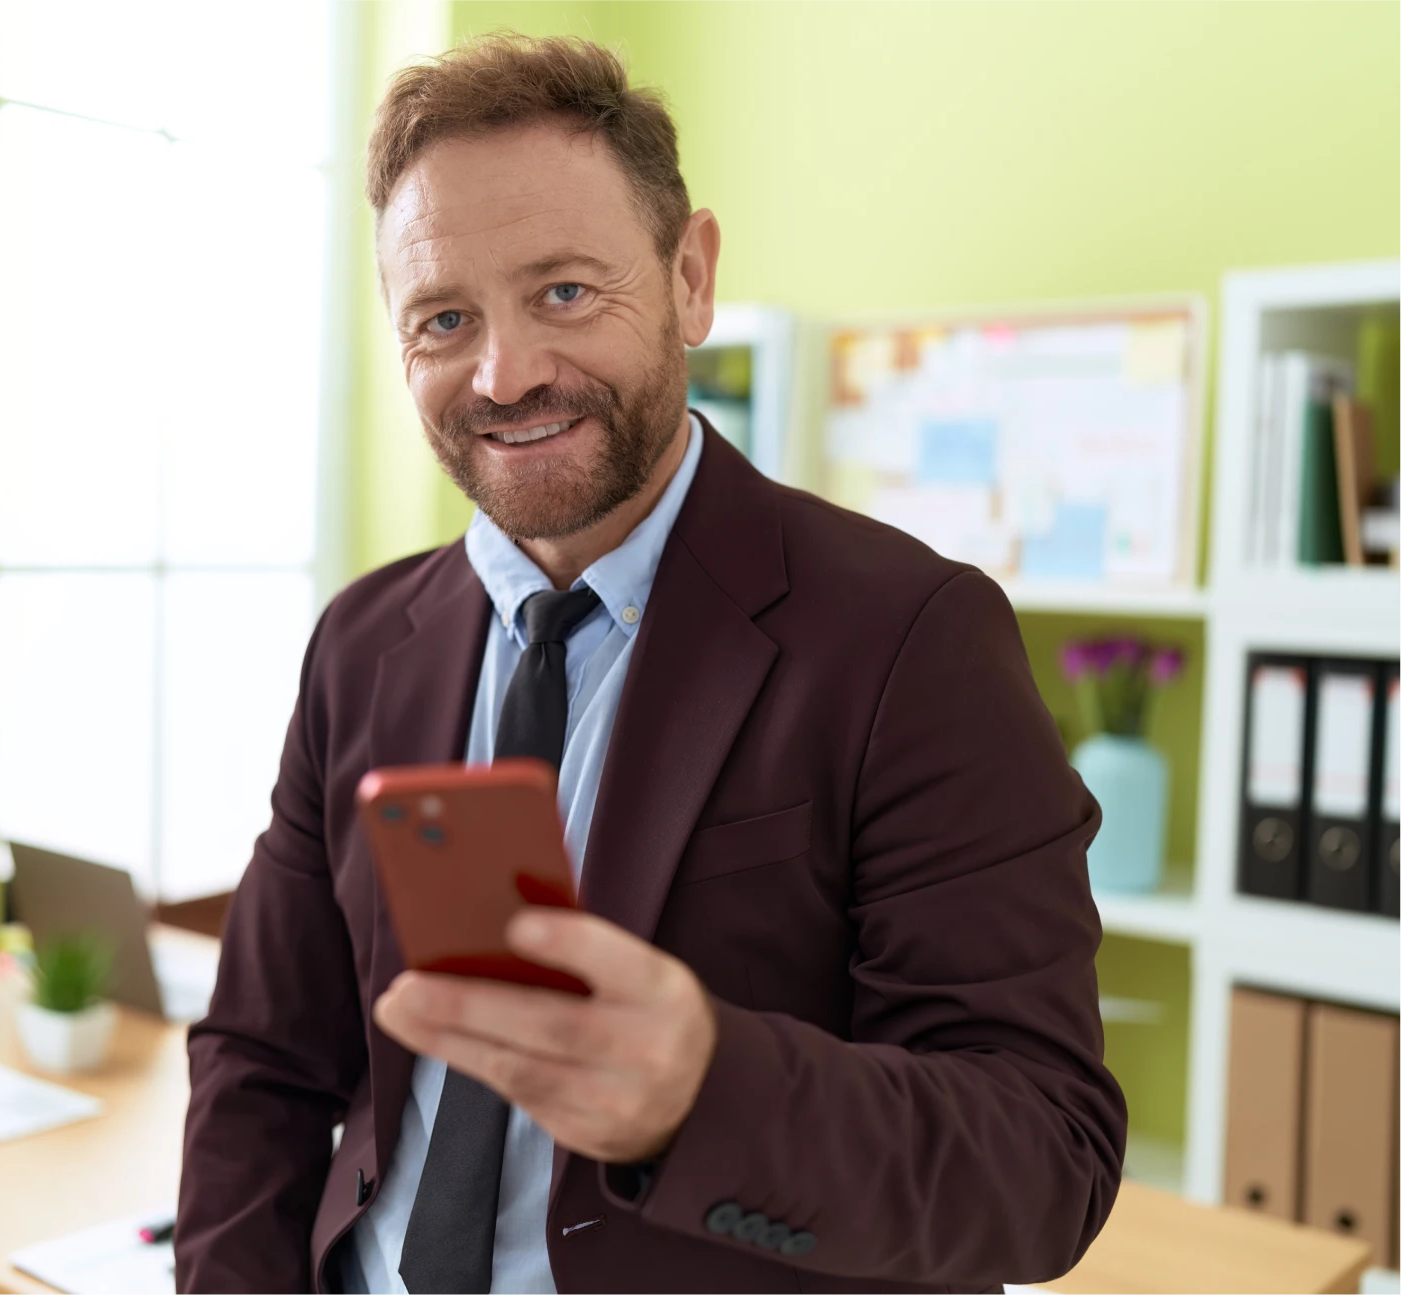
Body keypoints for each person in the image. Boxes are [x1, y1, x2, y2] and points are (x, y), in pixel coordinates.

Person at [177, 32, 1125, 1295]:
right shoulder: (361, 642)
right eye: (444, 319)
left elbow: (1040, 1160)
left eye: (564, 292)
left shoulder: (913, 637)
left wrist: (701, 1092)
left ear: (688, 277)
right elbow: (262, 1059)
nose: (505, 373)